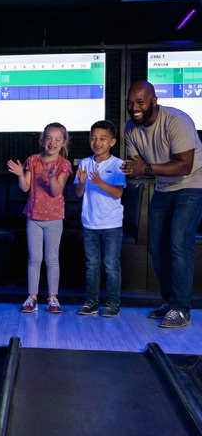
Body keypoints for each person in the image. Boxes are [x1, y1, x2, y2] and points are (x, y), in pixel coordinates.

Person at [122, 80, 202, 328]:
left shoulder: (177, 120)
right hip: (164, 186)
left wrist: (144, 167)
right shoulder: (130, 128)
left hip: (192, 183)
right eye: (130, 103)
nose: (134, 108)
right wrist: (132, 170)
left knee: (179, 241)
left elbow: (184, 165)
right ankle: (171, 302)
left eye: (140, 102)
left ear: (154, 101)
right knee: (156, 245)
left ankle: (181, 309)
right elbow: (138, 165)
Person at [7, 122, 73, 314]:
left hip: (54, 218)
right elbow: (25, 187)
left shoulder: (64, 164)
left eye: (57, 139)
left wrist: (52, 177)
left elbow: (56, 191)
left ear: (63, 143)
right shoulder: (33, 160)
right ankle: (32, 297)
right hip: (33, 216)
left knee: (52, 258)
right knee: (34, 258)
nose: (52, 143)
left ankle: (53, 298)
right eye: (49, 138)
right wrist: (20, 175)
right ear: (42, 140)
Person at [74, 120, 127, 318]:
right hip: (90, 223)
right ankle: (91, 301)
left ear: (112, 142)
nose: (97, 142)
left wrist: (99, 182)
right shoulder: (84, 163)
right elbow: (79, 194)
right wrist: (81, 182)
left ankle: (113, 303)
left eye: (102, 139)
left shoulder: (118, 164)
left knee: (111, 265)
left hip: (112, 224)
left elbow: (118, 193)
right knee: (92, 265)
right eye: (94, 138)